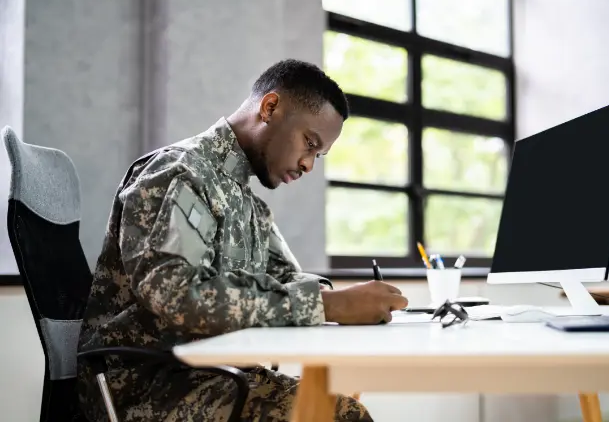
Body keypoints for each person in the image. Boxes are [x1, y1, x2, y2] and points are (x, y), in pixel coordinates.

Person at [77, 59, 409, 421]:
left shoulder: (247, 203)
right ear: (270, 108)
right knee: (341, 415)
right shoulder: (181, 173)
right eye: (309, 144)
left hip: (212, 376)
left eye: (319, 155)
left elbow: (288, 278)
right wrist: (327, 306)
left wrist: (345, 298)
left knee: (340, 404)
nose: (309, 165)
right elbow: (177, 293)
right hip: (148, 391)